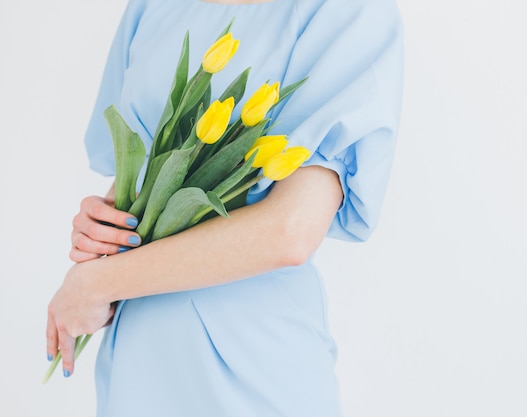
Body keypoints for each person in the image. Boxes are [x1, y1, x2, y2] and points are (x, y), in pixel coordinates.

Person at [46, 0, 404, 415]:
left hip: (250, 363)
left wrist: (96, 284)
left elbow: (290, 231)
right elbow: (140, 177)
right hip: (136, 356)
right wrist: (101, 233)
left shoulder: (346, 11)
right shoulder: (150, 7)